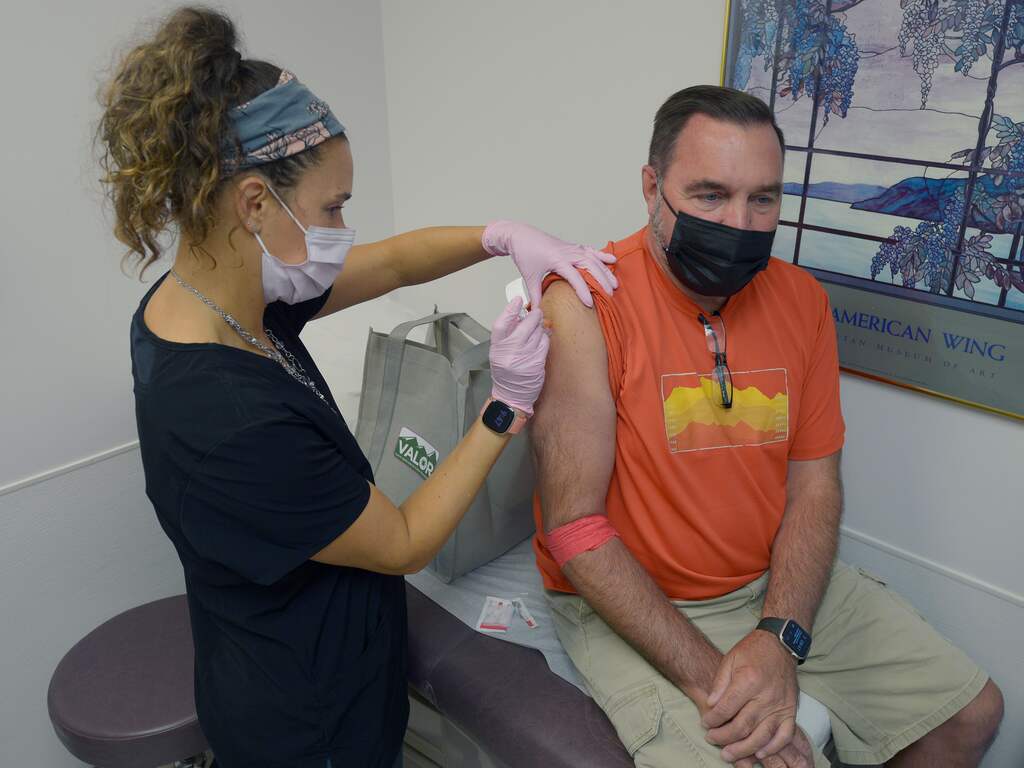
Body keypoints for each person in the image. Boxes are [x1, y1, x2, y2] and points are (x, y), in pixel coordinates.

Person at [97, 7, 616, 768]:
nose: (345, 226)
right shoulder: (230, 422)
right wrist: (504, 406)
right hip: (307, 717)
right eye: (333, 207)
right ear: (252, 204)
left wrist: (499, 237)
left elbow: (397, 263)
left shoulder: (213, 299)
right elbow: (404, 542)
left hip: (290, 654)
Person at [530, 85, 1003, 768]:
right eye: (710, 195)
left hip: (765, 582)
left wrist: (780, 637)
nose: (740, 223)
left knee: (971, 713)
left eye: (763, 199)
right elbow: (574, 529)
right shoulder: (584, 305)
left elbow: (815, 485)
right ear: (651, 186)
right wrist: (719, 683)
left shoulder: (801, 300)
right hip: (637, 595)